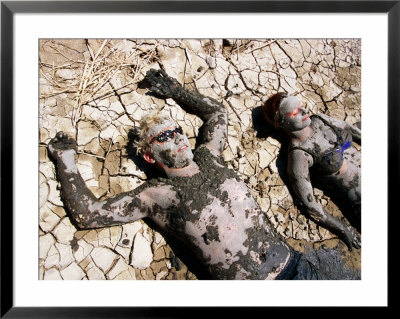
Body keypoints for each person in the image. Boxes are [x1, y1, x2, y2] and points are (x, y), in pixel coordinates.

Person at [47, 69, 356, 279]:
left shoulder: (209, 157)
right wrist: (66, 160)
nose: (178, 137)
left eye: (178, 131)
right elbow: (88, 215)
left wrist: (176, 90)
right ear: (148, 154)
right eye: (165, 137)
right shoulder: (157, 195)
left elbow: (217, 113)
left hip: (296, 264)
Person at [262, 92, 361, 251]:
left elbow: (349, 129)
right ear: (280, 122)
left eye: (301, 106)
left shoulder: (320, 120)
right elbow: (309, 205)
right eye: (295, 112)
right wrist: (342, 229)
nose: (304, 111)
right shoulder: (299, 155)